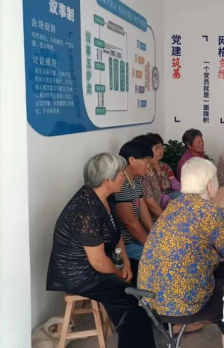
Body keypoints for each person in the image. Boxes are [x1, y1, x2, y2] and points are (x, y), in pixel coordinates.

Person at [46, 153, 156, 348]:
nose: (124, 177)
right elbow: (97, 262)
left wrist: (126, 261)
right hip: (80, 275)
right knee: (131, 306)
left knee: (146, 274)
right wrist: (120, 277)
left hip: (101, 263)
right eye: (121, 174)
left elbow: (115, 231)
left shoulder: (106, 197)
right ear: (107, 180)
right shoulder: (86, 210)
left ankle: (158, 326)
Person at [138, 158, 224, 348]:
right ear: (210, 185)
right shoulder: (210, 212)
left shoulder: (172, 206)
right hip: (184, 306)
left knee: (218, 272)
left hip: (152, 302)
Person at [115, 141, 154, 286]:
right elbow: (129, 222)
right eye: (146, 162)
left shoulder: (135, 180)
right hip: (125, 244)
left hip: (137, 239)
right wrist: (151, 245)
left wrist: (154, 235)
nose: (148, 166)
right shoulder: (121, 184)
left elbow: (142, 209)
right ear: (132, 160)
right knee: (158, 256)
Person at [132, 135, 164, 218]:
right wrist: (169, 221)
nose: (158, 153)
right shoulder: (141, 175)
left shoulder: (151, 170)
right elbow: (152, 206)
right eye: (156, 149)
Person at [146, 132, 182, 203]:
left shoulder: (165, 166)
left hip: (171, 196)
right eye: (156, 148)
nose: (159, 151)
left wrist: (186, 190)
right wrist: (167, 200)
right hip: (158, 201)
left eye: (161, 147)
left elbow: (174, 183)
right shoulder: (146, 169)